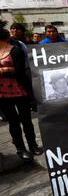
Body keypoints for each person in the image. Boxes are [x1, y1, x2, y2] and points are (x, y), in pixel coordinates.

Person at [0, 20, 43, 161]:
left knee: (26, 120)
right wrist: (6, 69)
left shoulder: (15, 50)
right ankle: (20, 148)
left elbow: (19, 72)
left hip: (20, 90)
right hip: (2, 94)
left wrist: (5, 70)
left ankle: (33, 145)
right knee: (13, 122)